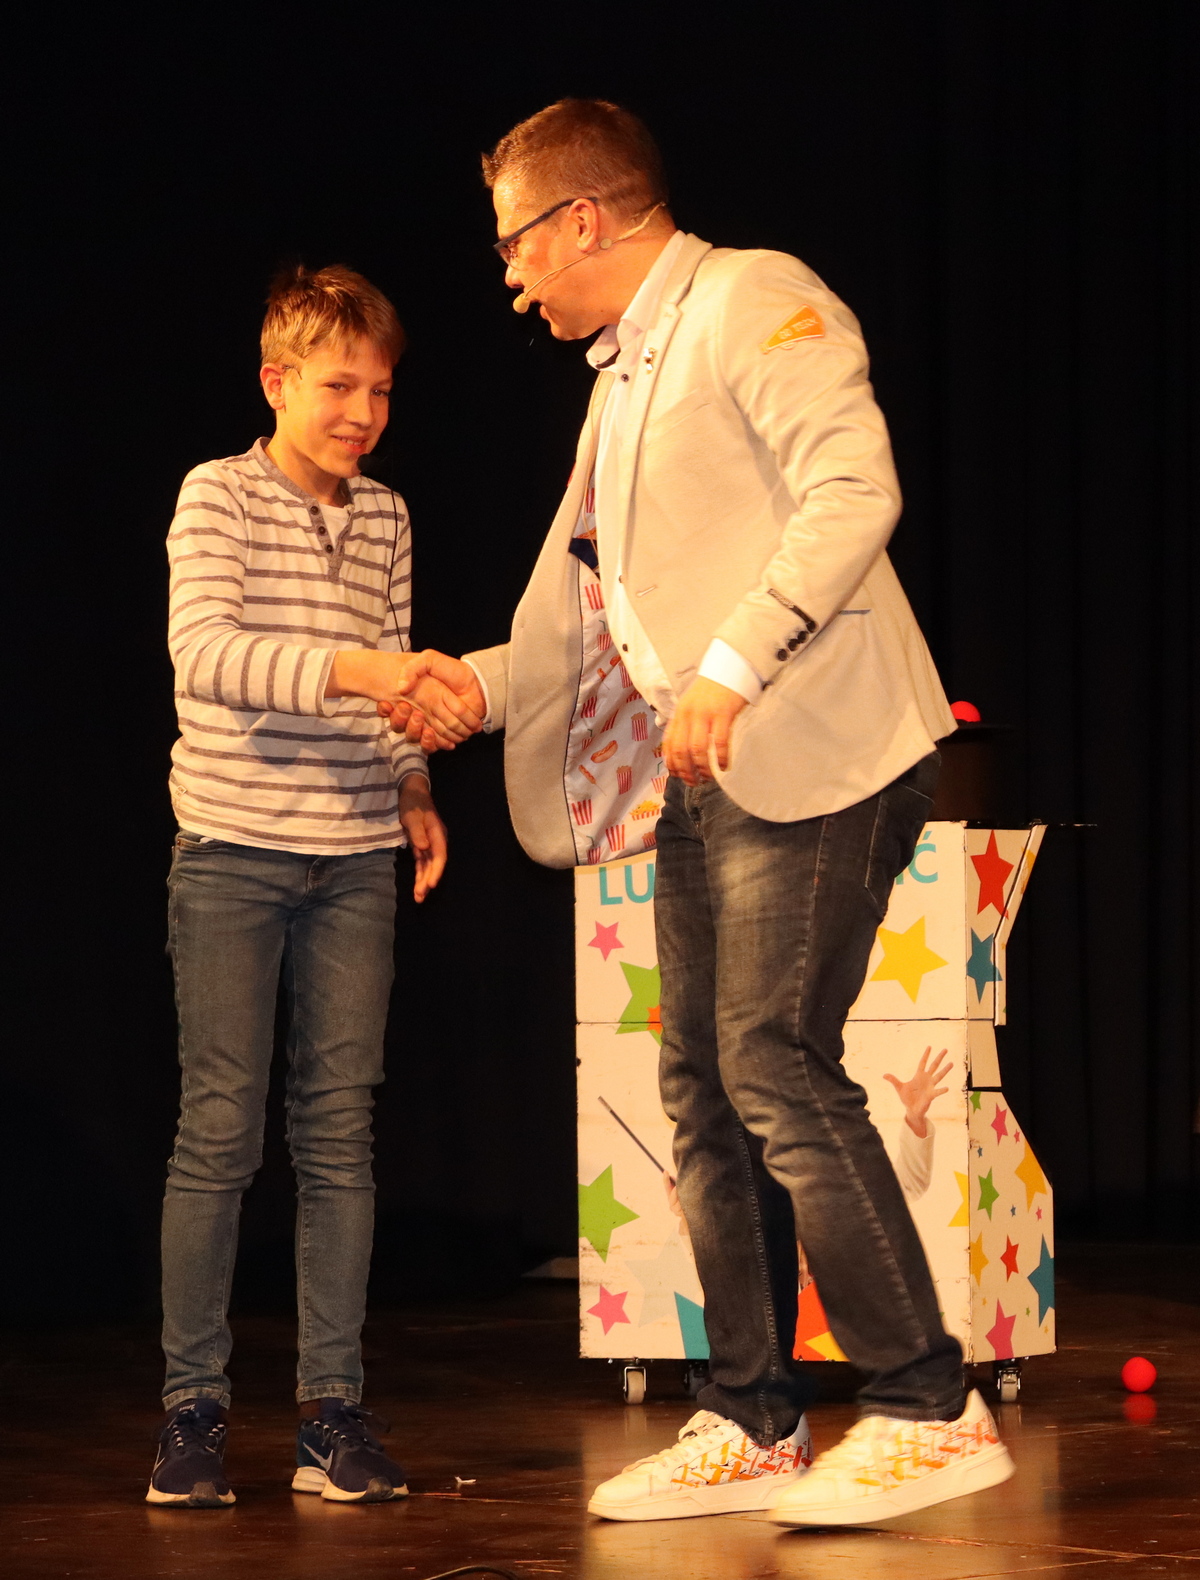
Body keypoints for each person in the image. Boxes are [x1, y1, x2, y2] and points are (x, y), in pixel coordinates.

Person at [385, 98, 1015, 1526]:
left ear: (582, 221)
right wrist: (479, 686)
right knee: (702, 1089)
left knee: (773, 1056)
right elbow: (600, 612)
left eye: (516, 243)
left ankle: (930, 1404)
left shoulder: (752, 297)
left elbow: (853, 488)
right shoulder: (622, 381)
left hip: (820, 742)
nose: (510, 275)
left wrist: (734, 662)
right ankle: (750, 1415)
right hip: (706, 772)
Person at [150, 265, 478, 1510]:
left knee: (340, 1132)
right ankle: (192, 1410)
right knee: (220, 1130)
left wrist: (413, 787)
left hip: (352, 855)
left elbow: (393, 688)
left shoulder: (386, 515)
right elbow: (205, 651)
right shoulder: (217, 494)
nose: (363, 413)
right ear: (276, 381)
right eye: (340, 386)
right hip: (232, 846)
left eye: (381, 390)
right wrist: (358, 668)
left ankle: (330, 1412)